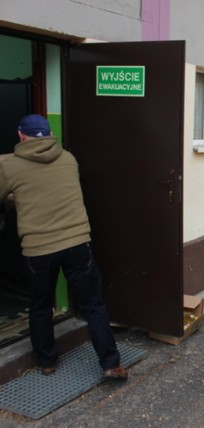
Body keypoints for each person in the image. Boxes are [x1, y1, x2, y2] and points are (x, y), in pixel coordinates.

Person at [0, 114, 128, 379]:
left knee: (40, 307)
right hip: (78, 243)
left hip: (39, 249)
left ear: (20, 135)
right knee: (93, 304)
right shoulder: (68, 158)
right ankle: (111, 364)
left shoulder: (9, 166)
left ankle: (47, 362)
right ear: (49, 134)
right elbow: (54, 187)